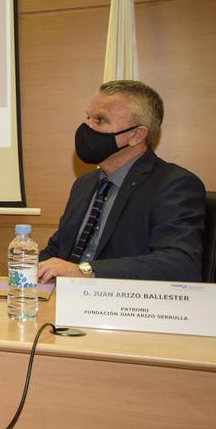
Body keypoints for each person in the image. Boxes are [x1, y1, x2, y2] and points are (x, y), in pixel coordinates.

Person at [38, 80, 204, 283]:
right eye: (88, 118)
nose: (86, 128)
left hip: (125, 309)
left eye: (100, 120)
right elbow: (57, 251)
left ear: (136, 135)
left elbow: (180, 264)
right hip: (64, 303)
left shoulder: (174, 184)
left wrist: (85, 272)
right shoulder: (84, 184)